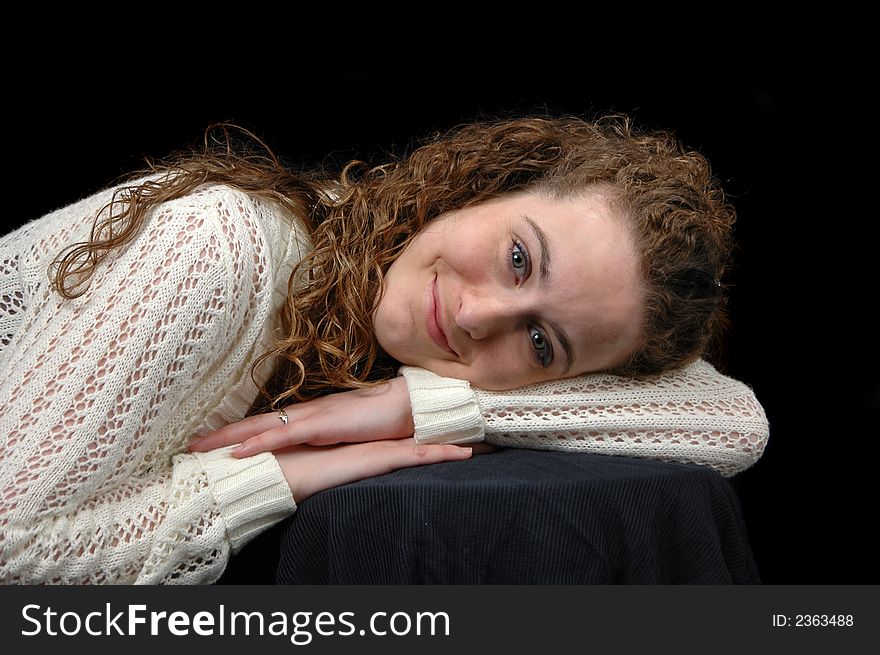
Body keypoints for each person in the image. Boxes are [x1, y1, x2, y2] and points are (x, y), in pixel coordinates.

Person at [0, 116, 768, 584]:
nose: (476, 315)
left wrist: (424, 404)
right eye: (519, 259)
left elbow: (733, 422)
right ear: (487, 186)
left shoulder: (371, 328)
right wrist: (272, 477)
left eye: (540, 341)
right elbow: (11, 555)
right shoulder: (221, 247)